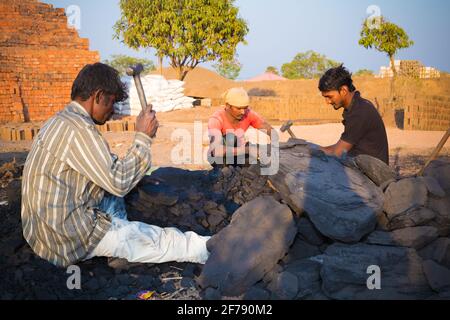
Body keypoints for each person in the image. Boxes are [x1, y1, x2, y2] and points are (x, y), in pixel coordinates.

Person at [21, 63, 210, 268]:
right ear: (98, 96)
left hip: (39, 233)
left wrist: (134, 170)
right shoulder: (79, 130)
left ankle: (119, 246)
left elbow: (108, 172)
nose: (112, 111)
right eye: (111, 102)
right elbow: (118, 182)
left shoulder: (60, 121)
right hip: (65, 238)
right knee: (151, 239)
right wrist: (143, 137)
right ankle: (206, 247)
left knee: (115, 193)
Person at [318, 65, 389, 164]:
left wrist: (310, 150)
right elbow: (339, 146)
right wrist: (315, 148)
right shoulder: (357, 105)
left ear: (343, 91)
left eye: (329, 97)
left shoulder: (359, 112)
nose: (327, 102)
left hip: (372, 175)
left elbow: (337, 152)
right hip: (362, 165)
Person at [207, 87, 277, 166]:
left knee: (257, 152)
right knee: (230, 137)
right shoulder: (216, 119)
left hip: (239, 152)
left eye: (245, 108)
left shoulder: (248, 114)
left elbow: (268, 129)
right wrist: (247, 150)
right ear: (227, 106)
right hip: (218, 157)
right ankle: (225, 172)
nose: (243, 112)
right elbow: (216, 151)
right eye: (239, 108)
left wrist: (274, 144)